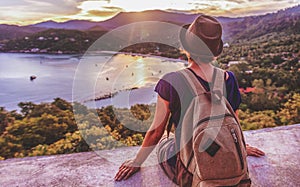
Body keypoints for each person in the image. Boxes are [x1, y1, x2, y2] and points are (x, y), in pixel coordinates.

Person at [114, 14, 265, 183]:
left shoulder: (171, 81)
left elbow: (156, 132)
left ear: (186, 48)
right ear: (215, 52)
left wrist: (137, 162)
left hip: (188, 166)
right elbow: (233, 122)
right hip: (226, 156)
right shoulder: (229, 78)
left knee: (166, 138)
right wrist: (240, 148)